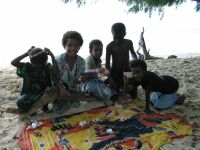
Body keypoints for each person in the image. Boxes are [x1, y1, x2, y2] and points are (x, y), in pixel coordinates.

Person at [11, 46, 69, 115]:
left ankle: (45, 107)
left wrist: (52, 55)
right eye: (36, 66)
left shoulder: (47, 66)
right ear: (32, 62)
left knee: (61, 87)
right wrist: (26, 54)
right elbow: (13, 62)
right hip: (30, 94)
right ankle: (32, 110)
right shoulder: (27, 67)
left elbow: (56, 72)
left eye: (41, 66)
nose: (39, 68)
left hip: (44, 92)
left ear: (45, 62)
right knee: (20, 102)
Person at [55, 31, 86, 113]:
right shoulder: (58, 60)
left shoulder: (82, 61)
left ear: (79, 47)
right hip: (60, 90)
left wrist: (80, 79)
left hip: (74, 91)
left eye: (76, 45)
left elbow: (79, 78)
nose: (73, 48)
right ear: (64, 46)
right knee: (58, 110)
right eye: (69, 45)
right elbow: (53, 78)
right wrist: (61, 88)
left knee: (75, 107)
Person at [81, 39, 117, 105]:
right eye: (96, 50)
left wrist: (110, 78)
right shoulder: (89, 60)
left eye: (100, 50)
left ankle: (110, 95)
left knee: (106, 88)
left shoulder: (99, 60)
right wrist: (97, 70)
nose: (98, 52)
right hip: (87, 82)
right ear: (90, 51)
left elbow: (103, 72)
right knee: (98, 89)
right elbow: (86, 72)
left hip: (95, 79)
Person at [106, 22, 137, 94]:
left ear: (124, 34)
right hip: (115, 72)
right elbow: (107, 64)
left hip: (127, 71)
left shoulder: (128, 42)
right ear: (112, 34)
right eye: (115, 37)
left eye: (119, 38)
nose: (117, 40)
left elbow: (133, 53)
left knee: (132, 90)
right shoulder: (110, 46)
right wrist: (110, 78)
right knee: (114, 90)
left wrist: (136, 63)